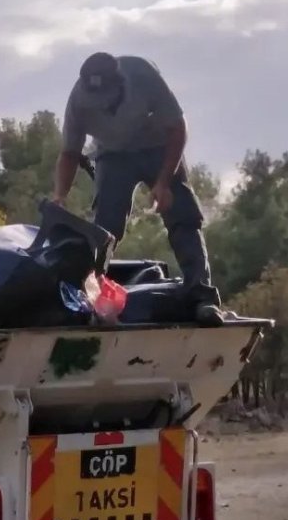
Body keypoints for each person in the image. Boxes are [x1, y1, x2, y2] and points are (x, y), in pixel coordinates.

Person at [52, 51, 224, 326]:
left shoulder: (143, 76)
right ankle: (93, 300)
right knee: (105, 227)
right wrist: (60, 194)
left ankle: (201, 297)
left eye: (106, 99)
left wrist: (164, 181)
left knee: (184, 217)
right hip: (113, 155)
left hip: (159, 148)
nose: (101, 106)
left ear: (120, 85)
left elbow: (178, 128)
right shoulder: (78, 101)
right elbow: (69, 153)